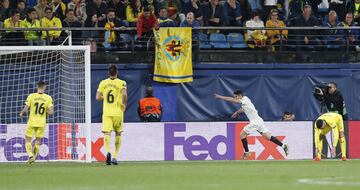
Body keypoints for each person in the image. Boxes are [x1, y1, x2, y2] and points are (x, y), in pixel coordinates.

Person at [214, 90, 289, 159]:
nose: (235, 98)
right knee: (268, 137)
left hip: (255, 122)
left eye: (236, 96)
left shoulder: (244, 99)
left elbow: (232, 100)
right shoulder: (245, 100)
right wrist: (236, 112)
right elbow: (243, 108)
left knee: (242, 135)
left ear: (240, 95)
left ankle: (247, 153)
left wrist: (220, 97)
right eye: (235, 96)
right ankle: (283, 146)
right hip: (259, 120)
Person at [96, 64, 127, 165]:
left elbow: (97, 97)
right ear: (117, 72)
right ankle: (115, 156)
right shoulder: (121, 82)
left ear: (108, 73)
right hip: (118, 112)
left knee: (107, 133)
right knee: (118, 133)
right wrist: (124, 105)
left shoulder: (103, 83)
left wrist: (104, 97)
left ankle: (108, 151)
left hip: (107, 113)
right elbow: (124, 94)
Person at [19, 81, 54, 164]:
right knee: (38, 141)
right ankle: (33, 158)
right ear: (44, 87)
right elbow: (51, 112)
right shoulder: (48, 98)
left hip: (32, 122)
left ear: (37, 86)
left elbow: (26, 108)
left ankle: (30, 155)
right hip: (42, 123)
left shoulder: (31, 96)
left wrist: (22, 113)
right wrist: (47, 110)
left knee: (27, 140)